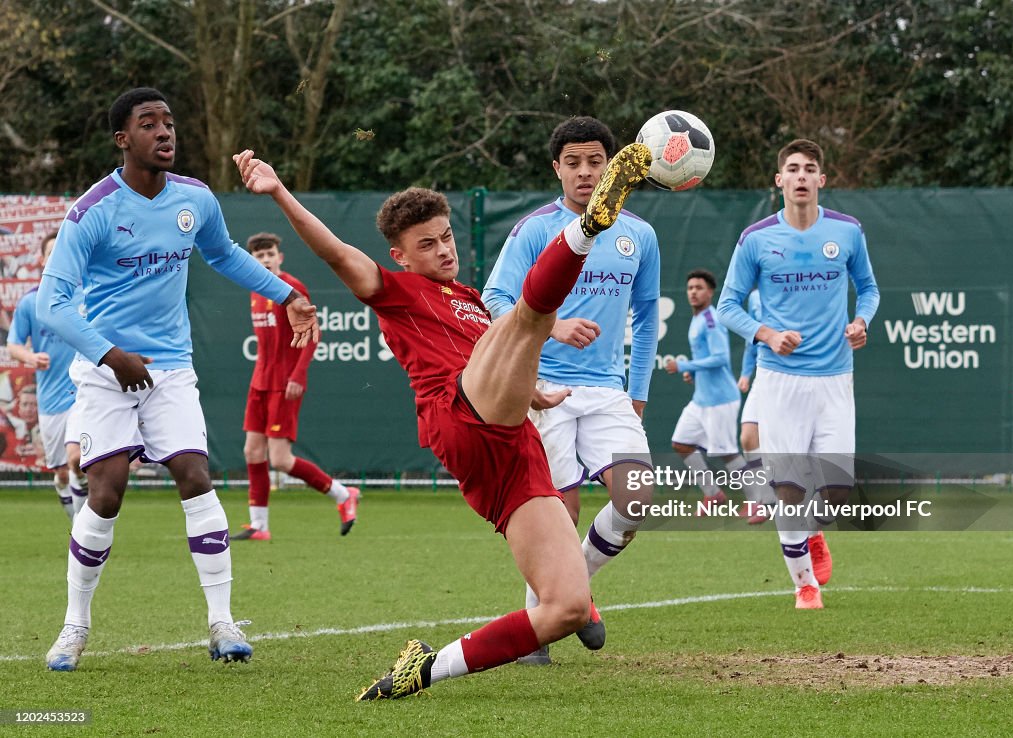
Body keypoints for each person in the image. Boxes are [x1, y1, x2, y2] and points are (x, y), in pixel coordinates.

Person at [233, 140, 652, 700]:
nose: (443, 250)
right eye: (426, 245)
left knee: (566, 609)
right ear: (400, 255)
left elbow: (504, 369)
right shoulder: (395, 290)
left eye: (446, 237)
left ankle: (424, 670)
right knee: (530, 316)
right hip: (458, 415)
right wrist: (279, 191)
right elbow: (336, 253)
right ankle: (588, 227)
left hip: (511, 451)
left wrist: (534, 396)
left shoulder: (473, 301)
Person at [36, 87, 319, 672]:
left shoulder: (195, 198)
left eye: (169, 123)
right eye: (149, 124)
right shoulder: (91, 212)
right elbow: (52, 305)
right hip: (104, 371)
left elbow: (225, 254)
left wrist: (287, 293)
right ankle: (74, 627)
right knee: (107, 491)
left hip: (169, 369)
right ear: (123, 140)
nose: (165, 132)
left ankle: (222, 623)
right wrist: (112, 355)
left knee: (195, 473)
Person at [481, 116, 658, 665]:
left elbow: (648, 319)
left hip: (607, 391)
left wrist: (639, 393)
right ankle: (543, 618)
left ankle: (569, 593)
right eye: (573, 163)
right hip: (543, 388)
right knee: (564, 513)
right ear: (556, 168)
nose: (585, 173)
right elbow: (495, 296)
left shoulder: (640, 235)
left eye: (596, 162)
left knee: (638, 500)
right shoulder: (536, 229)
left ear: (612, 168)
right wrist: (549, 324)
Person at [718, 138, 879, 609]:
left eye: (810, 168)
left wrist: (861, 321)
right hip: (779, 379)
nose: (802, 176)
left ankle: (813, 535)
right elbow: (728, 305)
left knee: (833, 494)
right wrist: (766, 334)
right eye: (793, 168)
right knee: (788, 489)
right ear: (780, 180)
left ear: (821, 180)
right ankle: (804, 586)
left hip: (834, 379)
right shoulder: (756, 238)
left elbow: (868, 289)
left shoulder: (847, 232)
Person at [232, 232, 358, 541]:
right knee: (252, 451)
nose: (265, 260)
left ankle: (343, 495)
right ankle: (259, 526)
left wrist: (298, 375)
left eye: (270, 254)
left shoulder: (291, 288)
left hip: (284, 384)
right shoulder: (255, 289)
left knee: (280, 460)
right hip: (259, 381)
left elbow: (313, 333)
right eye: (259, 256)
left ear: (280, 257)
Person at [6, 231, 88, 521]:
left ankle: (82, 533)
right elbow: (13, 345)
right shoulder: (31, 302)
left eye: (60, 251)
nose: (56, 257)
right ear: (42, 259)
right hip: (51, 397)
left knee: (77, 459)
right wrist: (30, 357)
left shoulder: (86, 294)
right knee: (63, 472)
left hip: (84, 392)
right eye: (50, 252)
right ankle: (73, 511)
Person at [665, 269, 750, 513]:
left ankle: (760, 499)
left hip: (720, 400)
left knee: (728, 453)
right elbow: (707, 358)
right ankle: (713, 495)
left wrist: (684, 365)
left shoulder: (711, 320)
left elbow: (721, 358)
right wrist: (694, 371)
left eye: (699, 288)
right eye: (690, 288)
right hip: (701, 400)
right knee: (681, 443)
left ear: (710, 292)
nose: (693, 292)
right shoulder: (698, 318)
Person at [735, 288, 774, 524]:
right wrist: (745, 373)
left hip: (791, 375)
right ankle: (766, 501)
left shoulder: (791, 284)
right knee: (749, 437)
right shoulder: (755, 296)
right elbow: (752, 338)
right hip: (763, 372)